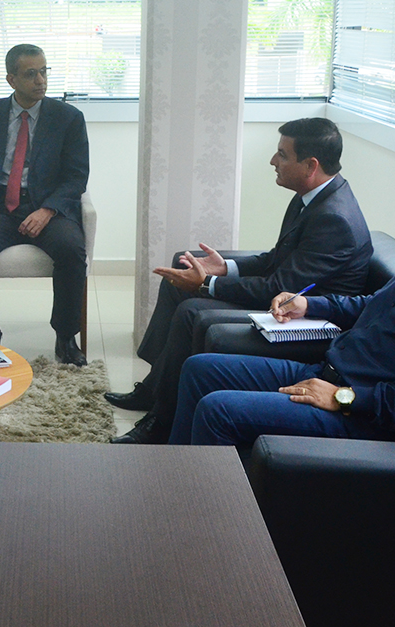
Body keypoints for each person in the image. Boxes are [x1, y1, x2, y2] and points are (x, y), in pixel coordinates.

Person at [169, 165, 395, 447]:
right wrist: (308, 304)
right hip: (325, 374)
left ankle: (197, 504)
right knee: (201, 369)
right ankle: (171, 472)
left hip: (363, 418)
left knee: (218, 410)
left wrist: (343, 397)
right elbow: (373, 305)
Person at [110, 117, 372, 444]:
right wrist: (225, 268)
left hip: (306, 319)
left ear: (311, 165)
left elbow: (279, 287)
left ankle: (160, 423)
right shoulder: (313, 197)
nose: (273, 161)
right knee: (178, 276)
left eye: (282, 155)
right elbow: (276, 259)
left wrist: (206, 284)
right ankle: (155, 389)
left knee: (192, 309)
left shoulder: (334, 218)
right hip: (285, 300)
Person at [0, 43, 90, 365]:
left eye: (44, 71)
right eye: (31, 74)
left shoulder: (68, 118)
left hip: (48, 210)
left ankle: (66, 337)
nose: (41, 80)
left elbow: (77, 176)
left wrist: (47, 210)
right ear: (11, 79)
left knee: (72, 250)